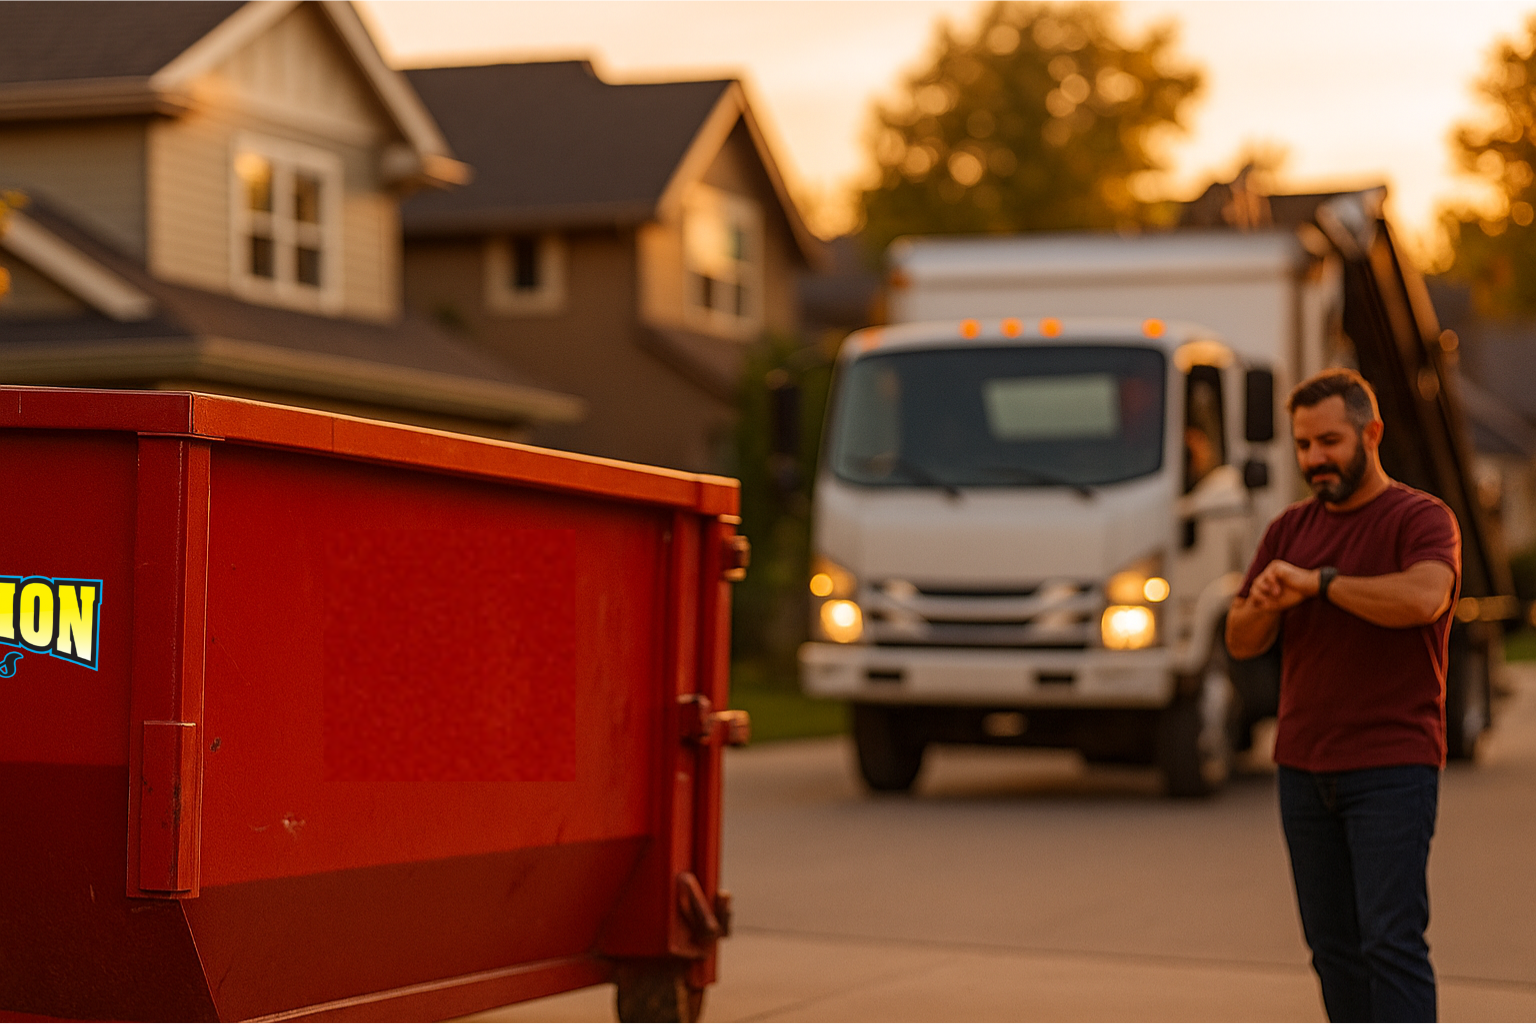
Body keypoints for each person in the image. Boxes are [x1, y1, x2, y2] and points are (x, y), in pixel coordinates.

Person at [1226, 368, 1460, 1023]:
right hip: (1303, 767)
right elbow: (1240, 638)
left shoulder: (1420, 518)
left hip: (1392, 766)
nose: (1314, 459)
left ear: (1371, 433)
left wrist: (1321, 583)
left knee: (1390, 943)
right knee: (1332, 949)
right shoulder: (1287, 529)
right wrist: (1268, 603)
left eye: (1328, 441)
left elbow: (1422, 598)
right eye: (1303, 446)